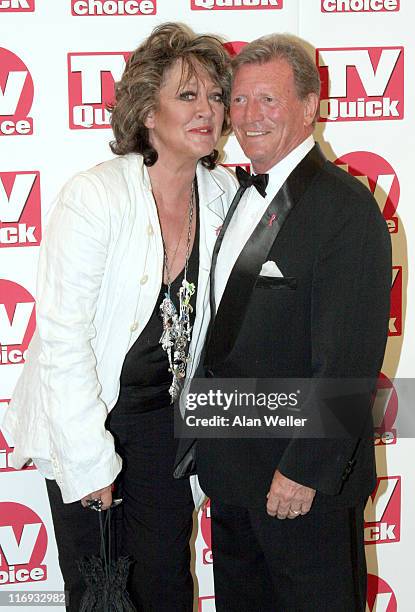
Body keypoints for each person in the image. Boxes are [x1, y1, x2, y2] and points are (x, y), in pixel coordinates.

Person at [3, 23, 236, 612]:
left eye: (214, 95)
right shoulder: (96, 197)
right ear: (147, 111)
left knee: (164, 586)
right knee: (100, 591)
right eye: (187, 95)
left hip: (167, 427)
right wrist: (90, 463)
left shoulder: (226, 195)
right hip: (89, 413)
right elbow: (63, 342)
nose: (206, 109)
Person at [183, 34, 392, 611]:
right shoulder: (234, 195)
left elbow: (350, 359)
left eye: (268, 101)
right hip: (232, 476)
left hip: (301, 486)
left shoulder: (345, 209)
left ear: (309, 107)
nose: (248, 117)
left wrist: (304, 469)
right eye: (241, 101)